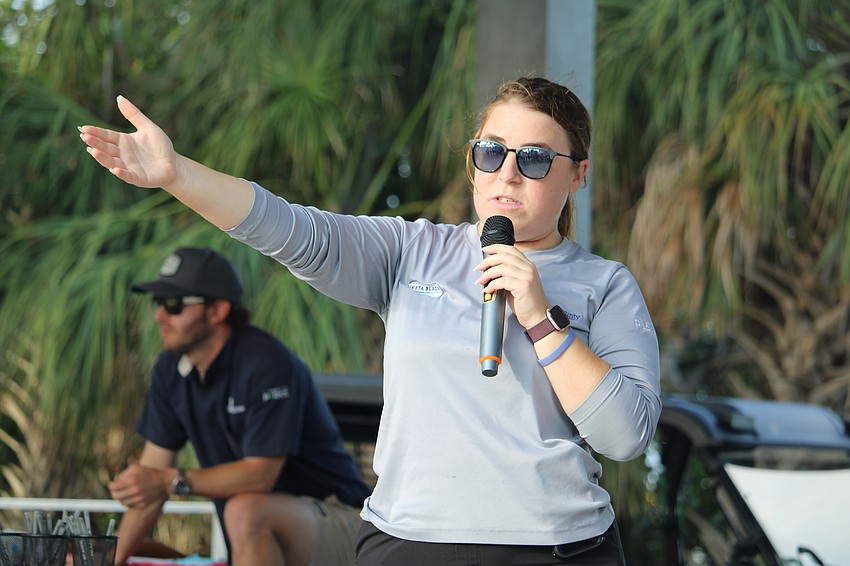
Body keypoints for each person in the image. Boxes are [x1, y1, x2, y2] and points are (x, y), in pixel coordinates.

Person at [80, 76, 662, 565]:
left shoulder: (606, 285)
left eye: (535, 159)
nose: (508, 173)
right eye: (492, 151)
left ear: (576, 175)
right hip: (408, 542)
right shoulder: (411, 250)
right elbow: (294, 230)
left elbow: (626, 436)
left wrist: (540, 319)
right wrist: (178, 174)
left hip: (556, 547)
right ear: (472, 164)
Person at [107, 246, 371, 566]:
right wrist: (109, 560)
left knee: (245, 510)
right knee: (245, 512)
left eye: (173, 304)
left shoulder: (266, 362)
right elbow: (151, 482)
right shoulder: (170, 370)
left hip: (344, 521)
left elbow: (259, 476)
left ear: (217, 311)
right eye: (157, 302)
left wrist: (166, 480)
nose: (158, 315)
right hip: (263, 521)